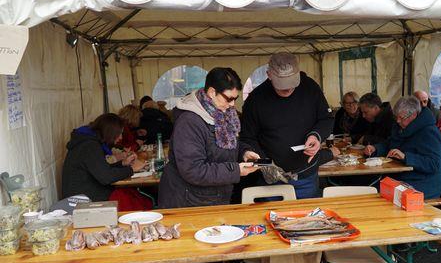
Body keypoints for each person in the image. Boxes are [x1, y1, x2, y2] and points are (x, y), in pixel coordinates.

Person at [158, 67, 259, 209]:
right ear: (212, 92)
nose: (232, 104)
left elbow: (226, 144)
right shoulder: (189, 122)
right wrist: (235, 171)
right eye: (229, 98)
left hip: (212, 197)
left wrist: (244, 152)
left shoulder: (224, 113)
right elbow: (193, 170)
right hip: (189, 201)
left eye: (235, 99)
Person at [240, 52, 333, 199]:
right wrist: (265, 164)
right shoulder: (256, 99)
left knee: (308, 218)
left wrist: (316, 135)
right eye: (282, 86)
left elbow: (326, 119)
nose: (288, 90)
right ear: (269, 75)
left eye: (292, 85)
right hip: (271, 180)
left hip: (305, 175)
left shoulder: (310, 88)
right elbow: (247, 138)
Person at [364, 96, 441, 198]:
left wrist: (406, 157)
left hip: (424, 183)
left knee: (376, 192)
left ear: (414, 115)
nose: (397, 121)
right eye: (396, 117)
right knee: (368, 186)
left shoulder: (429, 132)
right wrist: (376, 148)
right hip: (402, 177)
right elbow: (390, 143)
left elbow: (434, 164)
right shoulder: (402, 125)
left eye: (401, 118)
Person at [62, 113, 145, 202]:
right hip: (84, 200)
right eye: (119, 133)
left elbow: (101, 169)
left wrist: (122, 163)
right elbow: (106, 177)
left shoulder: (89, 143)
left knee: (132, 195)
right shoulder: (90, 146)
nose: (121, 137)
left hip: (86, 193)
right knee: (133, 199)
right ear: (111, 132)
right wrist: (131, 169)